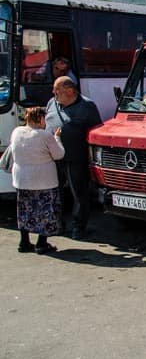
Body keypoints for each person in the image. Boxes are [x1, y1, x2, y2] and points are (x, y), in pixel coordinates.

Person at [45, 76, 102, 240]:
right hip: (52, 158)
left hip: (75, 158)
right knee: (54, 193)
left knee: (79, 194)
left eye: (57, 91)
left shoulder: (87, 106)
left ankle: (78, 227)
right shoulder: (52, 102)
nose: (54, 93)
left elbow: (95, 133)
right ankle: (57, 224)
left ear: (70, 91)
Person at [9, 106, 65, 254]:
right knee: (45, 210)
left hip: (22, 179)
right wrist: (57, 138)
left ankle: (24, 242)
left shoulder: (16, 132)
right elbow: (59, 154)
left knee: (25, 210)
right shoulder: (44, 135)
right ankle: (41, 243)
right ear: (40, 119)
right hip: (44, 180)